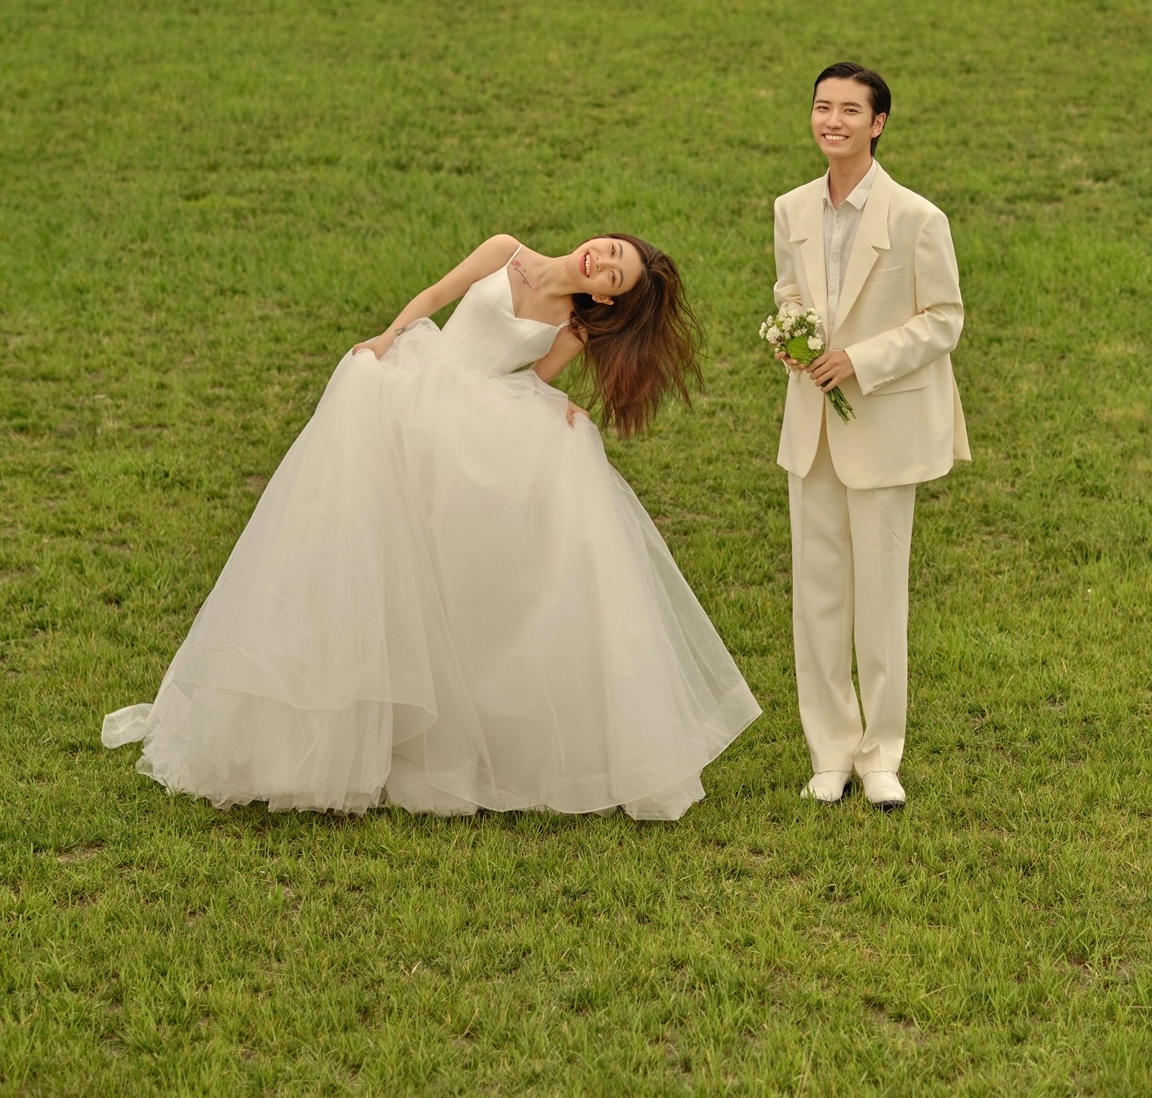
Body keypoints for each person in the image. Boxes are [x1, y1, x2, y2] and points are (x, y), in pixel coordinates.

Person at [102, 234, 760, 820]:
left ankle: (429, 723)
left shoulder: (574, 325)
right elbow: (437, 296)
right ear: (600, 239)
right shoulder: (506, 252)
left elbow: (533, 382)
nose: (602, 264)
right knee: (358, 520)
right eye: (610, 252)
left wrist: (566, 411)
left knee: (449, 553)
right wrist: (387, 339)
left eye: (613, 276)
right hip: (422, 378)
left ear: (607, 299)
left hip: (475, 416)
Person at [772, 63, 969, 809]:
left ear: (877, 124)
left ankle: (882, 755)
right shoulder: (791, 207)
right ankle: (829, 751)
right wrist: (791, 337)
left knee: (881, 599)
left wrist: (860, 359)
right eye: (823, 106)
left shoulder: (918, 217)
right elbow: (790, 290)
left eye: (850, 110)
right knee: (817, 597)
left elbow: (944, 319)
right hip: (812, 430)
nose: (833, 120)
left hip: (883, 427)